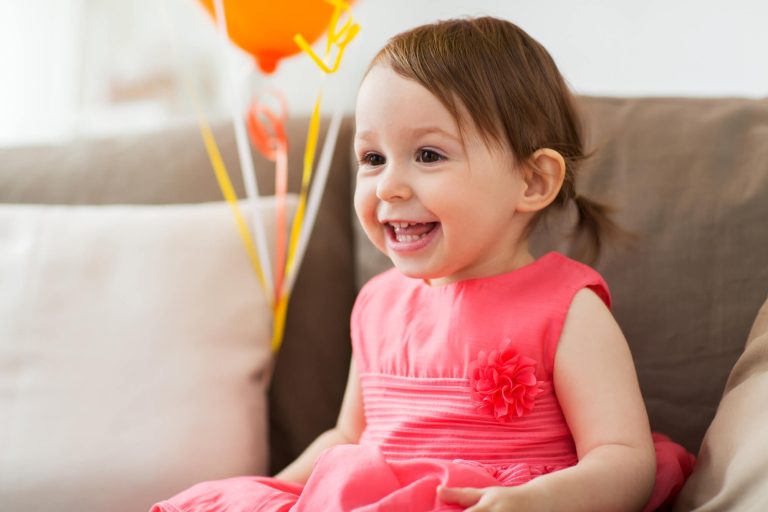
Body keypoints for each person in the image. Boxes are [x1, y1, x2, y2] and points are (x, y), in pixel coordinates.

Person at [150, 16, 694, 512]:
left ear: (532, 182)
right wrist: (281, 490)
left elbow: (623, 458)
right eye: (373, 158)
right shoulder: (378, 304)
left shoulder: (566, 309)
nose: (388, 184)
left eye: (428, 155)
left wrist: (537, 501)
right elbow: (347, 437)